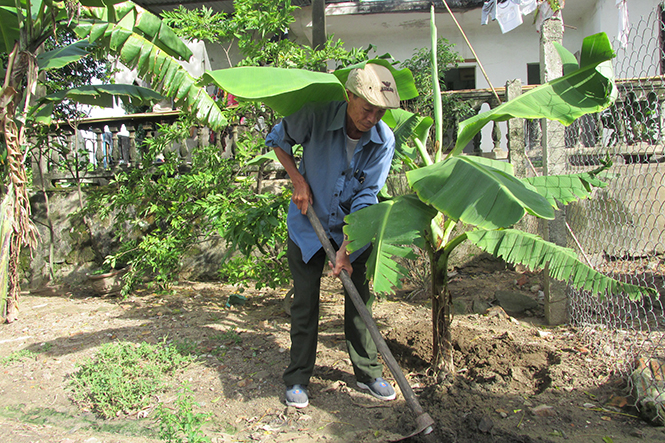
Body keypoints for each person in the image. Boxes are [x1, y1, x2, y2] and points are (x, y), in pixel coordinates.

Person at [265, 63, 400, 408]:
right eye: (367, 108)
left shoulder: (383, 141)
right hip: (307, 227)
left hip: (353, 228)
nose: (372, 118)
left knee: (359, 302)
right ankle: (297, 378)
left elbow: (368, 194)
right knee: (305, 302)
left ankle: (368, 373)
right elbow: (277, 139)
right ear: (349, 96)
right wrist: (297, 180)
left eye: (380, 112)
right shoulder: (316, 116)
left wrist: (348, 246)